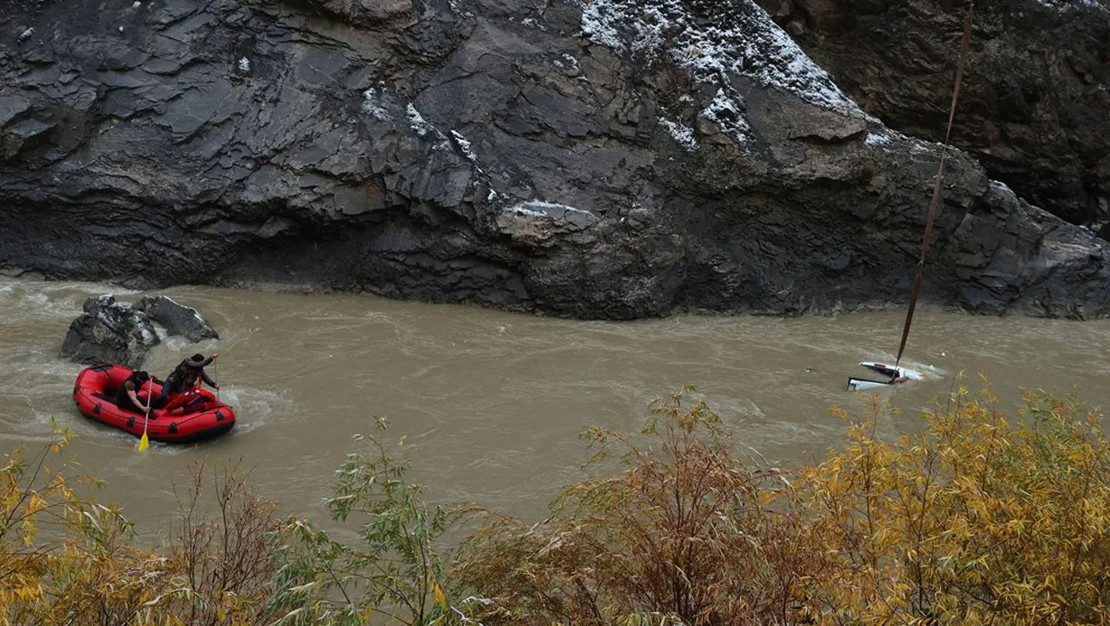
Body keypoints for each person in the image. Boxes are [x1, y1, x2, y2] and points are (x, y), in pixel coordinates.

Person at [154, 353, 219, 410]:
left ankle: (178, 411)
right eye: (200, 363)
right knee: (164, 395)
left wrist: (214, 385)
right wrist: (211, 358)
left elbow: (205, 378)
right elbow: (198, 364)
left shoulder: (199, 369)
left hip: (182, 385)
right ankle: (154, 406)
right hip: (172, 381)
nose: (201, 365)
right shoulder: (188, 361)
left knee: (183, 399)